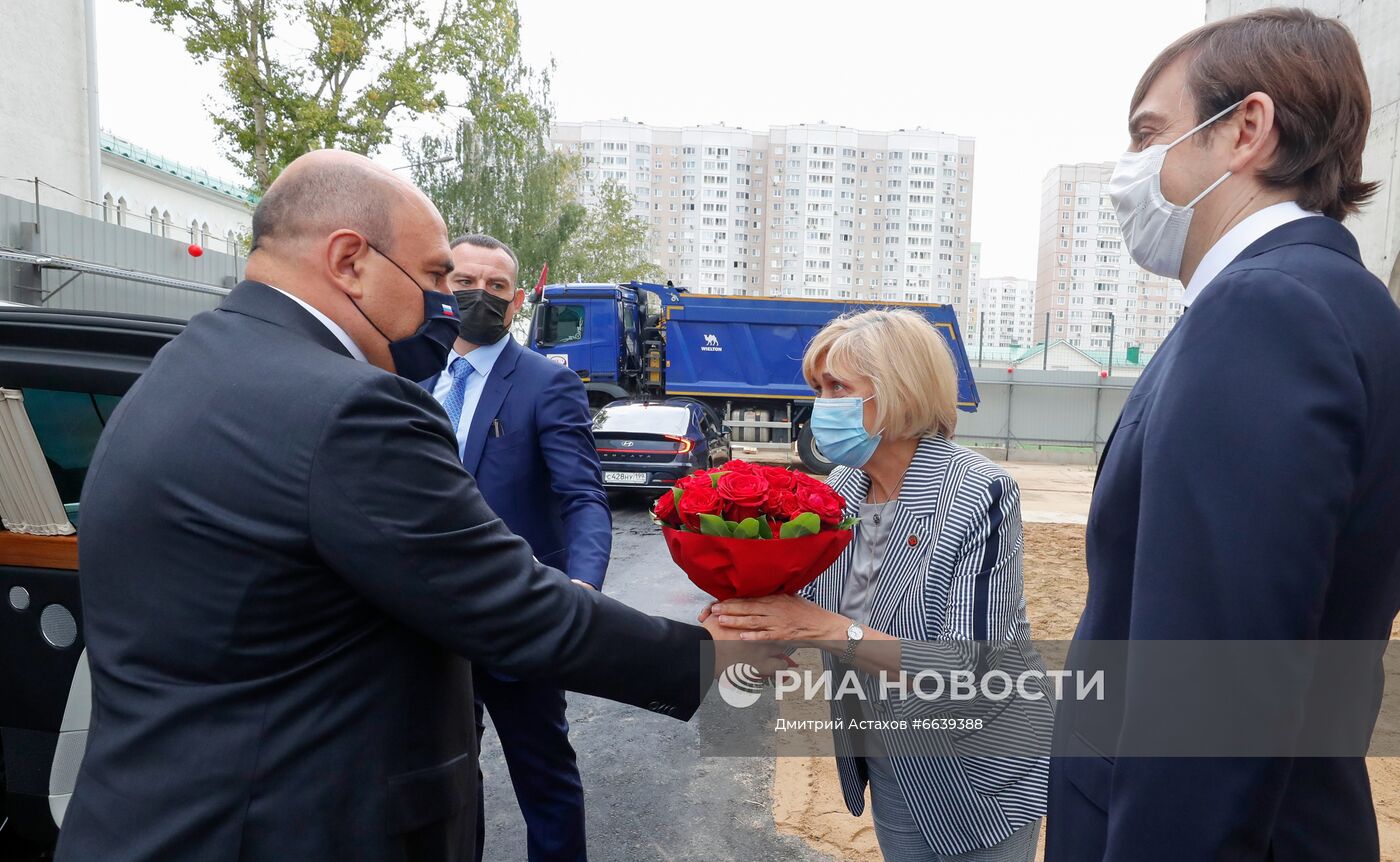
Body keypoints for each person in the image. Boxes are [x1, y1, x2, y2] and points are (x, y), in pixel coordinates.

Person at [53, 150, 770, 862]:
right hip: (281, 828)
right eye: (434, 276)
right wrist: (758, 677)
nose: (448, 305)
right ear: (350, 261)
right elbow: (515, 609)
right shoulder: (346, 406)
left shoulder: (185, 366)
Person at [1048, 9, 1400, 861]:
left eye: (1150, 134)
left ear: (1246, 128)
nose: (1131, 170)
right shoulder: (1347, 303)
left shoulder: (1263, 311)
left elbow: (1210, 700)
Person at [708, 310, 1050, 861]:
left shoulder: (978, 492)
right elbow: (804, 607)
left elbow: (962, 667)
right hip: (890, 760)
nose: (822, 405)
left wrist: (822, 628)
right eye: (818, 388)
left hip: (978, 767)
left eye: (838, 387)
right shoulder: (839, 490)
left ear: (899, 391)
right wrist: (744, 620)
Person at [419, 233, 608, 862]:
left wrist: (581, 593)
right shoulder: (412, 385)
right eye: (466, 281)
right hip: (426, 620)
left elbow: (583, 497)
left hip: (519, 616)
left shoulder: (545, 385)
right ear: (443, 285)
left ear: (518, 298)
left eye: (497, 286)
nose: (481, 295)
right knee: (445, 778)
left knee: (544, 773)